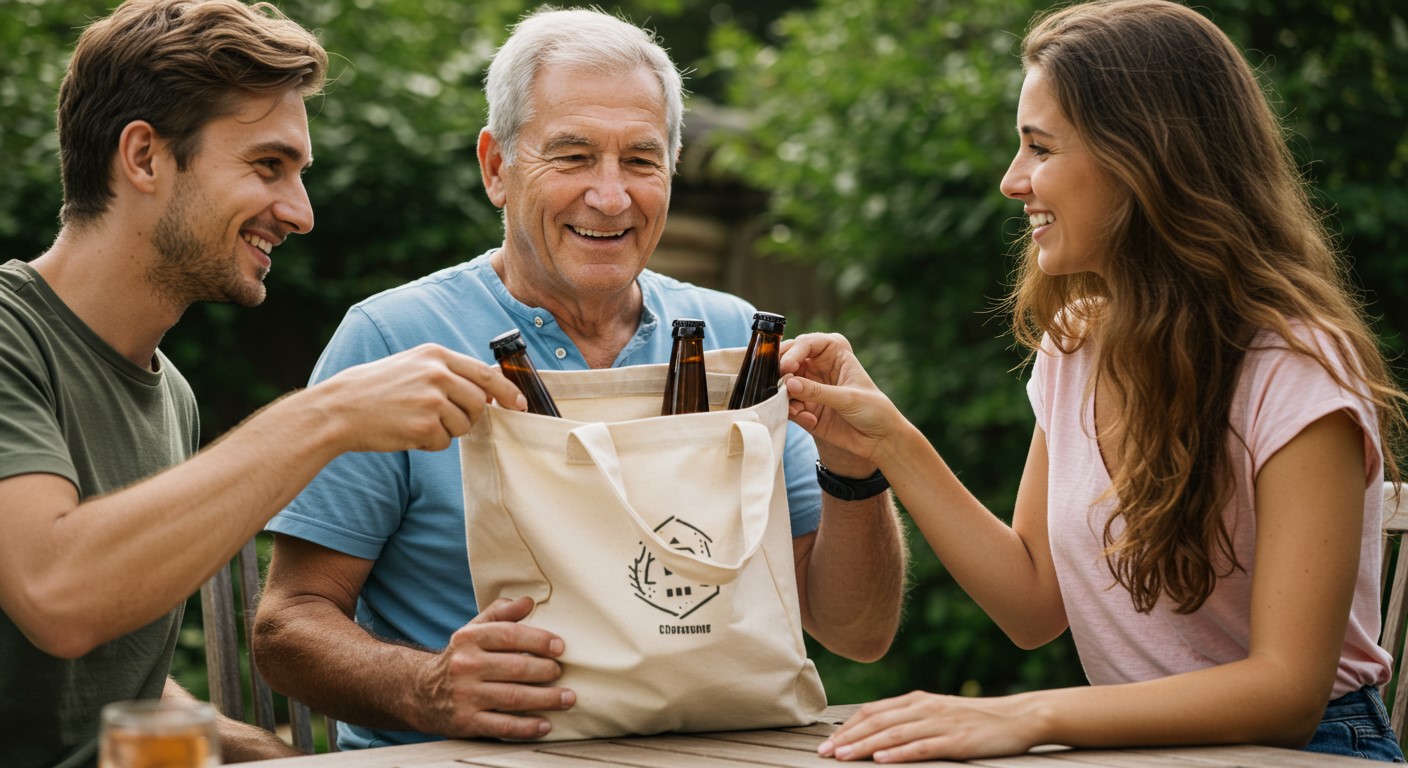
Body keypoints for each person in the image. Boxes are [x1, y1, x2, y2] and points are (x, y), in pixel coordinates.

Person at [250, 6, 908, 750]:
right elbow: (287, 626)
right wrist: (425, 687)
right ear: (497, 167)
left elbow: (857, 633)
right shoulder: (392, 339)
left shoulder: (737, 342)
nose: (610, 195)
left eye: (640, 159)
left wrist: (854, 472)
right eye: (571, 156)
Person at [778, 0, 1408, 763]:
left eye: (1040, 148)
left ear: (1145, 158)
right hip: (1140, 753)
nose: (1013, 181)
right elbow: (1033, 603)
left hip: (1312, 751)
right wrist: (889, 438)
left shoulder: (1295, 372)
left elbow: (1285, 692)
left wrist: (1032, 715)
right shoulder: (1075, 346)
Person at [0, 2, 527, 765]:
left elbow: (107, 674)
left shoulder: (167, 391)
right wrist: (326, 417)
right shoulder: (12, 337)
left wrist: (266, 753)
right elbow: (59, 596)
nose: (300, 212)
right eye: (267, 166)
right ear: (144, 157)